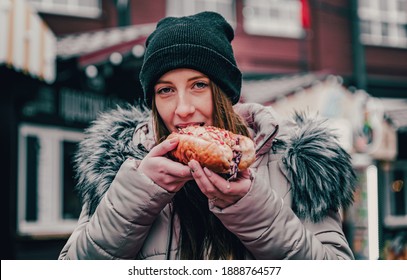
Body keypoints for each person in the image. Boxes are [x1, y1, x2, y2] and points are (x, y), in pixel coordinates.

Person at [59, 11, 356, 260]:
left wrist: (253, 208)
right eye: (165, 90)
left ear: (225, 94)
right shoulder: (121, 164)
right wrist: (136, 197)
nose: (183, 109)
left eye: (199, 85)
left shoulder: (296, 163)